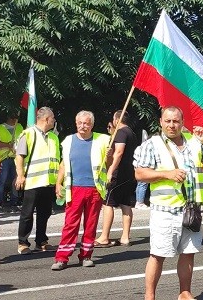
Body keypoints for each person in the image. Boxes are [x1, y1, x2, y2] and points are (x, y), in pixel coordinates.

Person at [133, 106, 203, 300]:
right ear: (161, 122)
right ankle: (149, 296)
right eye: (168, 121)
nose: (172, 125)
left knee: (188, 252)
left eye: (176, 121)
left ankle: (184, 292)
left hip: (191, 209)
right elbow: (140, 173)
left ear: (182, 123)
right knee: (158, 254)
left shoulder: (194, 141)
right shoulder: (153, 144)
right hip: (164, 210)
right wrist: (167, 174)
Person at [51, 111, 111, 270]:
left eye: (86, 123)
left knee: (91, 224)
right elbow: (63, 164)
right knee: (70, 224)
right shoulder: (68, 141)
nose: (83, 126)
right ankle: (62, 258)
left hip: (94, 189)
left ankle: (86, 255)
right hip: (74, 188)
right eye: (80, 123)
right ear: (76, 123)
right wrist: (58, 183)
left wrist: (110, 155)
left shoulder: (103, 140)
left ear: (92, 124)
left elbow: (110, 162)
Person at [15, 107, 59, 255]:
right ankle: (23, 243)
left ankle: (41, 242)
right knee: (27, 214)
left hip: (48, 182)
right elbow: (20, 156)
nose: (54, 120)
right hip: (32, 181)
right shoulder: (28, 134)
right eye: (52, 118)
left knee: (44, 213)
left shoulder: (53, 137)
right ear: (46, 119)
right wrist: (20, 176)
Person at [95, 111, 138, 248]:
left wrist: (110, 171)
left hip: (118, 174)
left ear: (117, 119)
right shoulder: (131, 133)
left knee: (108, 203)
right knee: (125, 204)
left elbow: (118, 153)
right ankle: (125, 237)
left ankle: (104, 237)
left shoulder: (121, 132)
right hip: (129, 173)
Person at [0, 112, 24, 209]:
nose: (15, 120)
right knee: (2, 181)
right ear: (10, 118)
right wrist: (8, 145)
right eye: (14, 118)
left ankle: (15, 201)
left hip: (16, 157)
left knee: (16, 180)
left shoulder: (19, 127)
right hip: (4, 158)